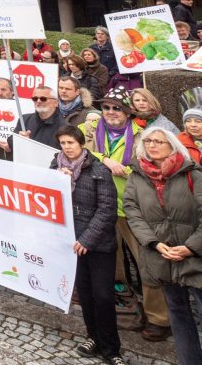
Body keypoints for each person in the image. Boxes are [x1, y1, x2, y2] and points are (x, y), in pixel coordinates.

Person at [123, 127, 202, 363]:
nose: (152, 145)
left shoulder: (192, 173)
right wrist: (153, 243)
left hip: (195, 255)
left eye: (159, 141)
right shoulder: (137, 175)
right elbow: (132, 211)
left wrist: (192, 246)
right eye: (149, 141)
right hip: (161, 255)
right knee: (178, 313)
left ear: (172, 145)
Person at [84, 91, 168, 339]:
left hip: (135, 209)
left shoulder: (144, 136)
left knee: (148, 264)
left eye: (116, 108)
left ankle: (159, 318)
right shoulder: (93, 128)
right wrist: (107, 161)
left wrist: (127, 171)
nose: (110, 112)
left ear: (128, 112)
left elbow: (153, 169)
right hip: (102, 206)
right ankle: (126, 308)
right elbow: (78, 149)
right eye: (107, 107)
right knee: (113, 265)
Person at [53, 126, 124, 365]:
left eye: (71, 143)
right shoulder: (55, 166)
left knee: (103, 296)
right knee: (85, 295)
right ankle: (92, 336)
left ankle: (112, 348)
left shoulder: (98, 170)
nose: (67, 147)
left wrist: (87, 239)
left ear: (81, 143)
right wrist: (57, 180)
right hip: (72, 242)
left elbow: (107, 210)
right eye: (62, 143)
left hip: (98, 244)